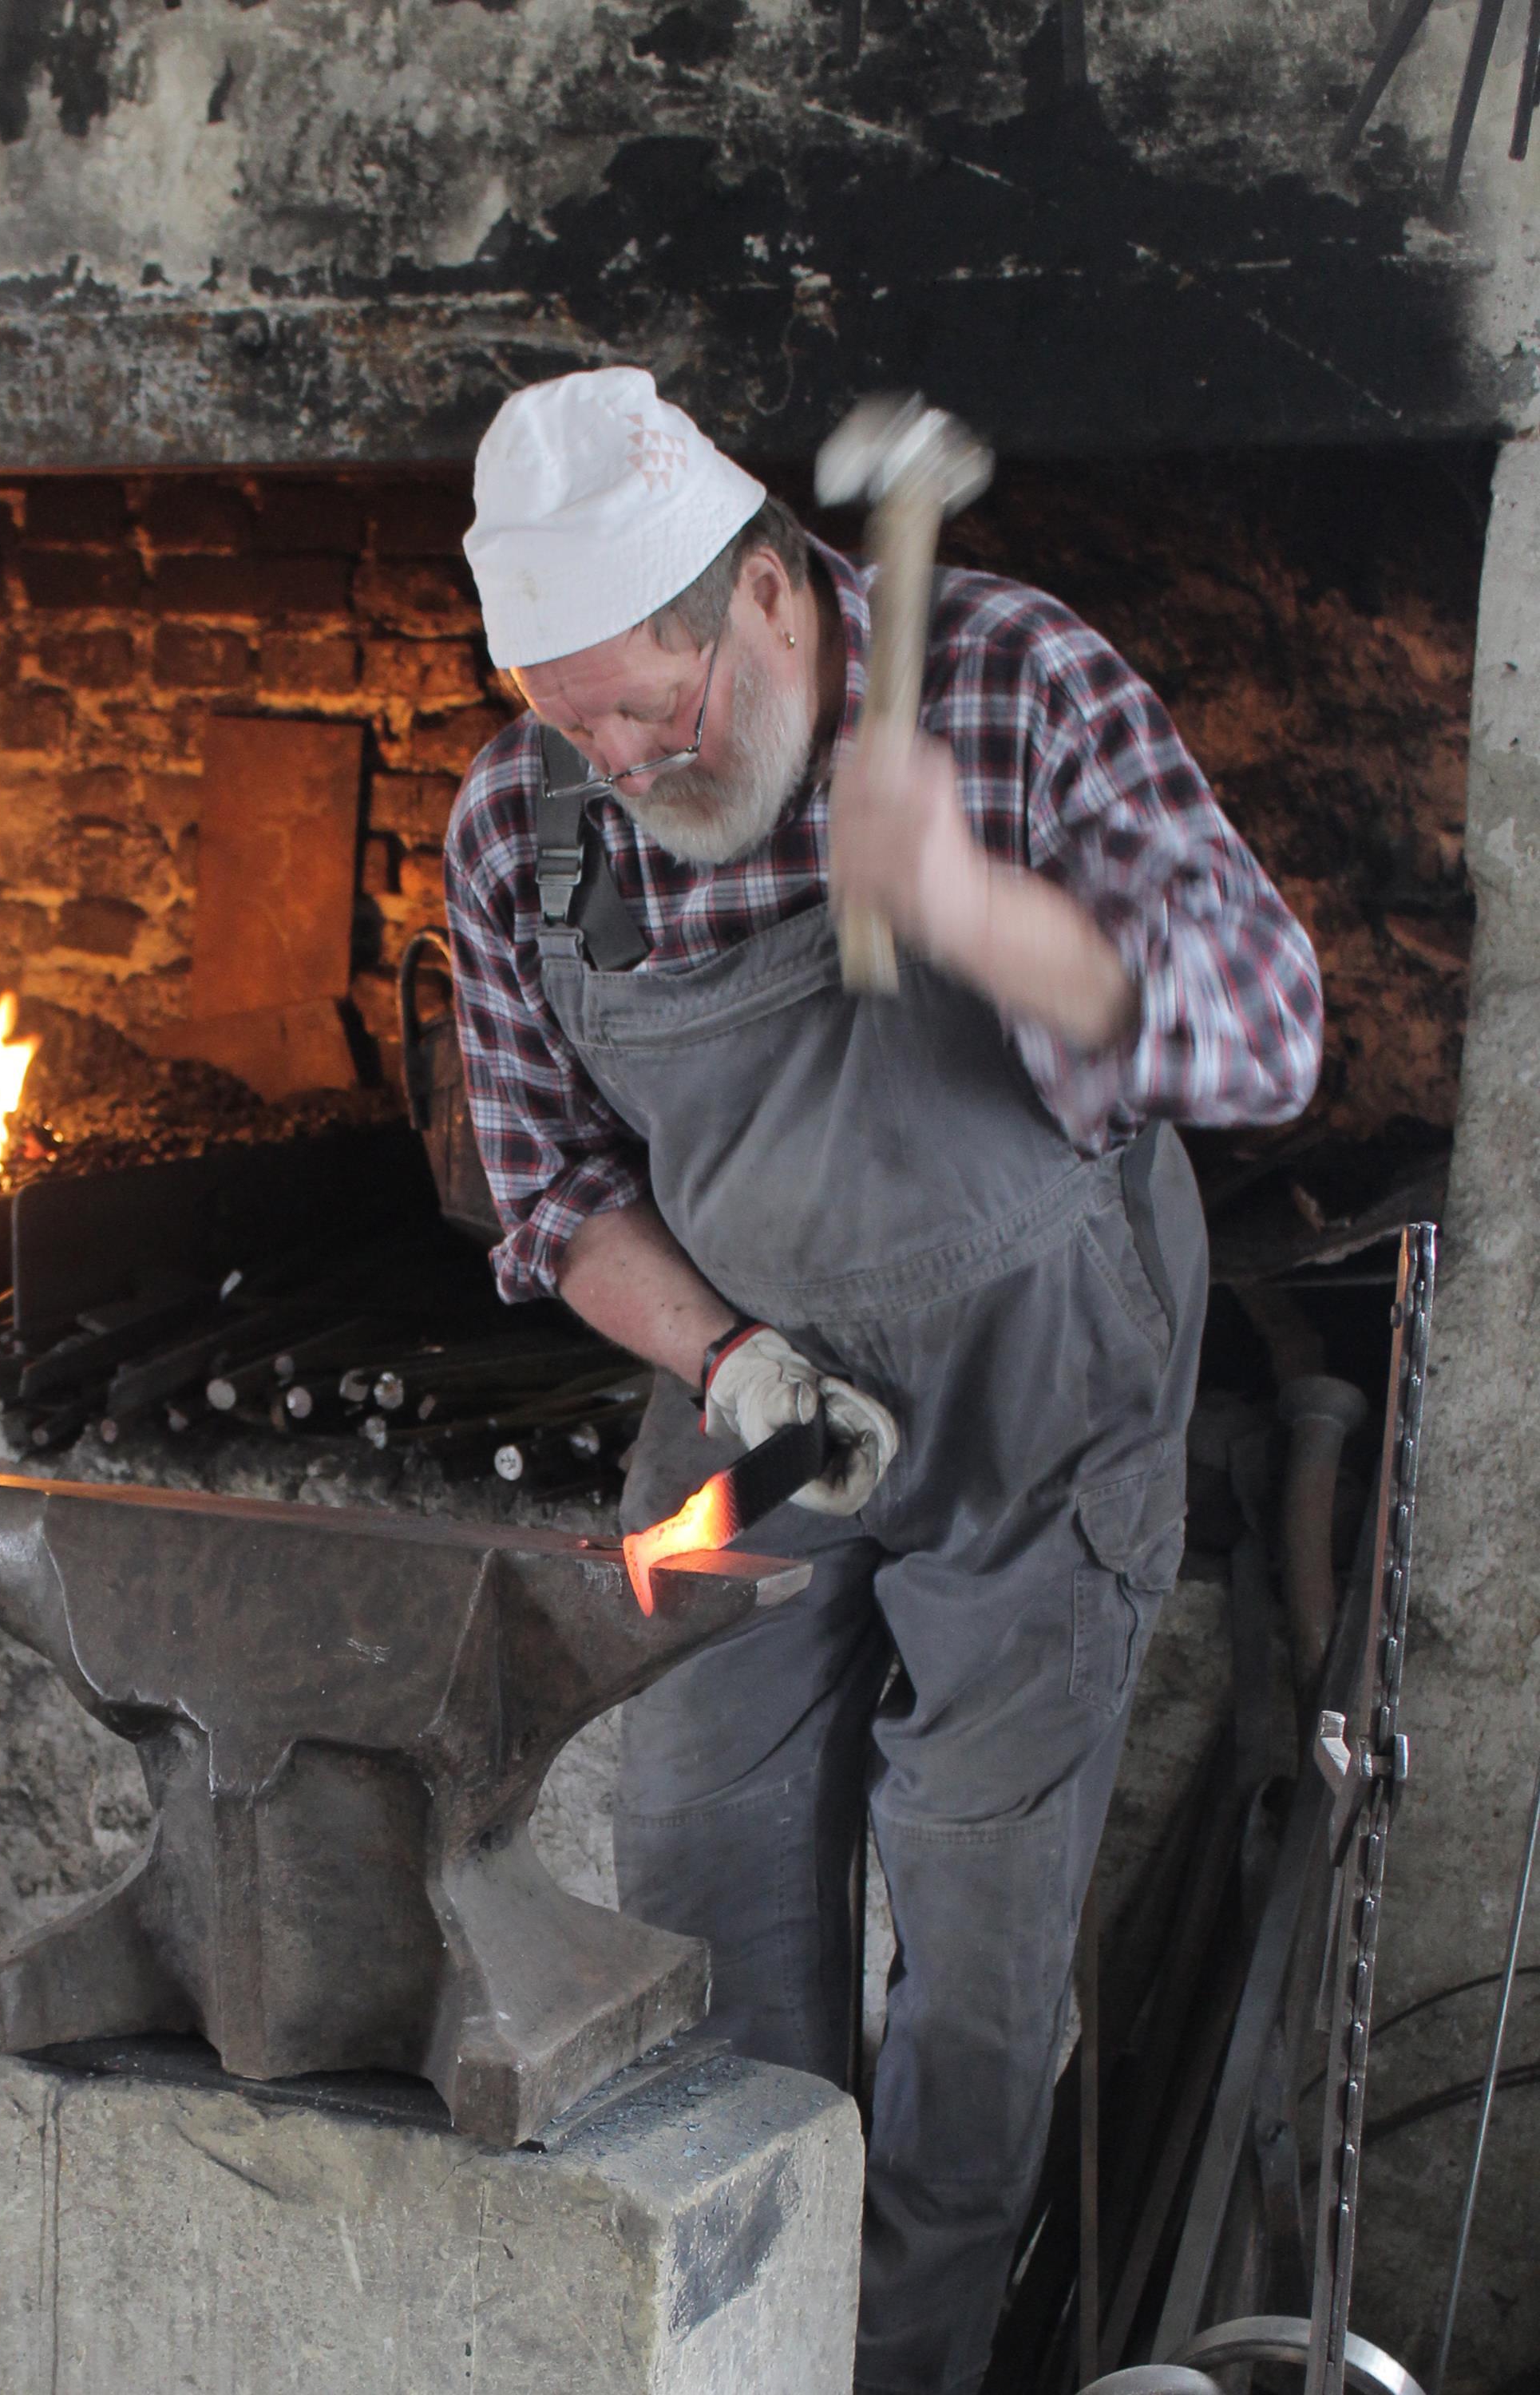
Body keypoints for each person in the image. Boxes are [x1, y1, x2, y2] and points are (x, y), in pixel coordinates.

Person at [444, 367, 1321, 2394]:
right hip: (759, 1400)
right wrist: (727, 1356)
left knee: (980, 1991)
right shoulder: (533, 817)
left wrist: (988, 919)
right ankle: (744, 2352)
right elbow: (549, 1186)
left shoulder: (1008, 682)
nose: (611, 763)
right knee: (702, 1911)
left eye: (648, 712)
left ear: (766, 595)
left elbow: (1273, 1032)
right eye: (560, 715)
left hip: (1045, 1385)